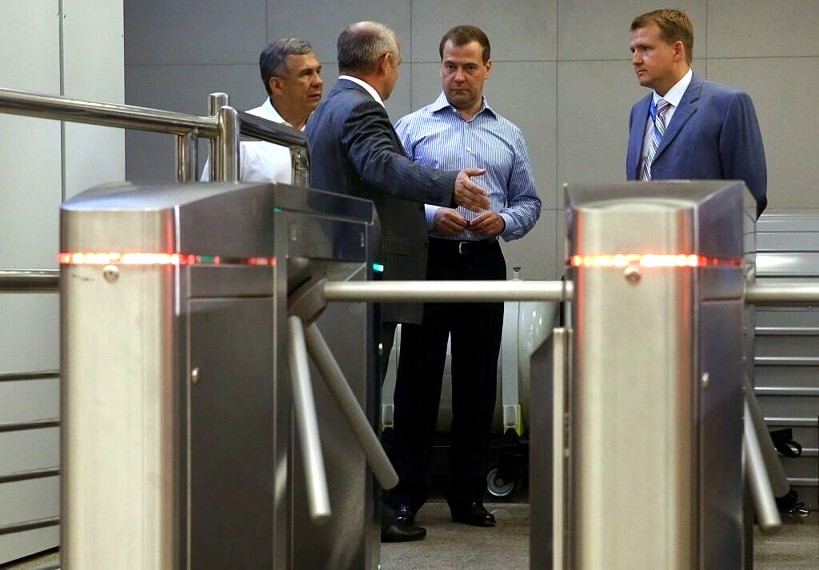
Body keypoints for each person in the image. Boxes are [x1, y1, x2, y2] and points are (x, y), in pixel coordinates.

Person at [304, 21, 490, 543]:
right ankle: (362, 514)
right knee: (362, 398)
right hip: (368, 272)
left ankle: (353, 511)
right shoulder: (361, 109)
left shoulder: (326, 107)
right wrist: (449, 185)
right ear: (385, 63)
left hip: (341, 268)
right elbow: (382, 166)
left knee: (351, 395)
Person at [387, 25, 541, 532]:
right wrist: (433, 215)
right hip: (429, 261)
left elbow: (529, 202)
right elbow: (393, 199)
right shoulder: (412, 128)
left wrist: (505, 221)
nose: (458, 76)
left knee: (479, 382)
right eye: (450, 66)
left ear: (487, 69)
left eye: (469, 67)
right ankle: (405, 496)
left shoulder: (509, 134)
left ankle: (467, 496)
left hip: (482, 262)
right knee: (417, 381)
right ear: (441, 67)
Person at [626, 8, 767, 217]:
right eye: (633, 50)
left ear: (677, 51)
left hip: (707, 237)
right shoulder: (638, 112)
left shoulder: (727, 104)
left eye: (645, 48)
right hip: (646, 235)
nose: (635, 60)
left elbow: (750, 196)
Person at [201, 38, 323, 183]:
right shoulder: (241, 135)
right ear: (277, 85)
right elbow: (210, 195)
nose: (318, 81)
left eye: (318, 71)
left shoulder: (326, 129)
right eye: (306, 74)